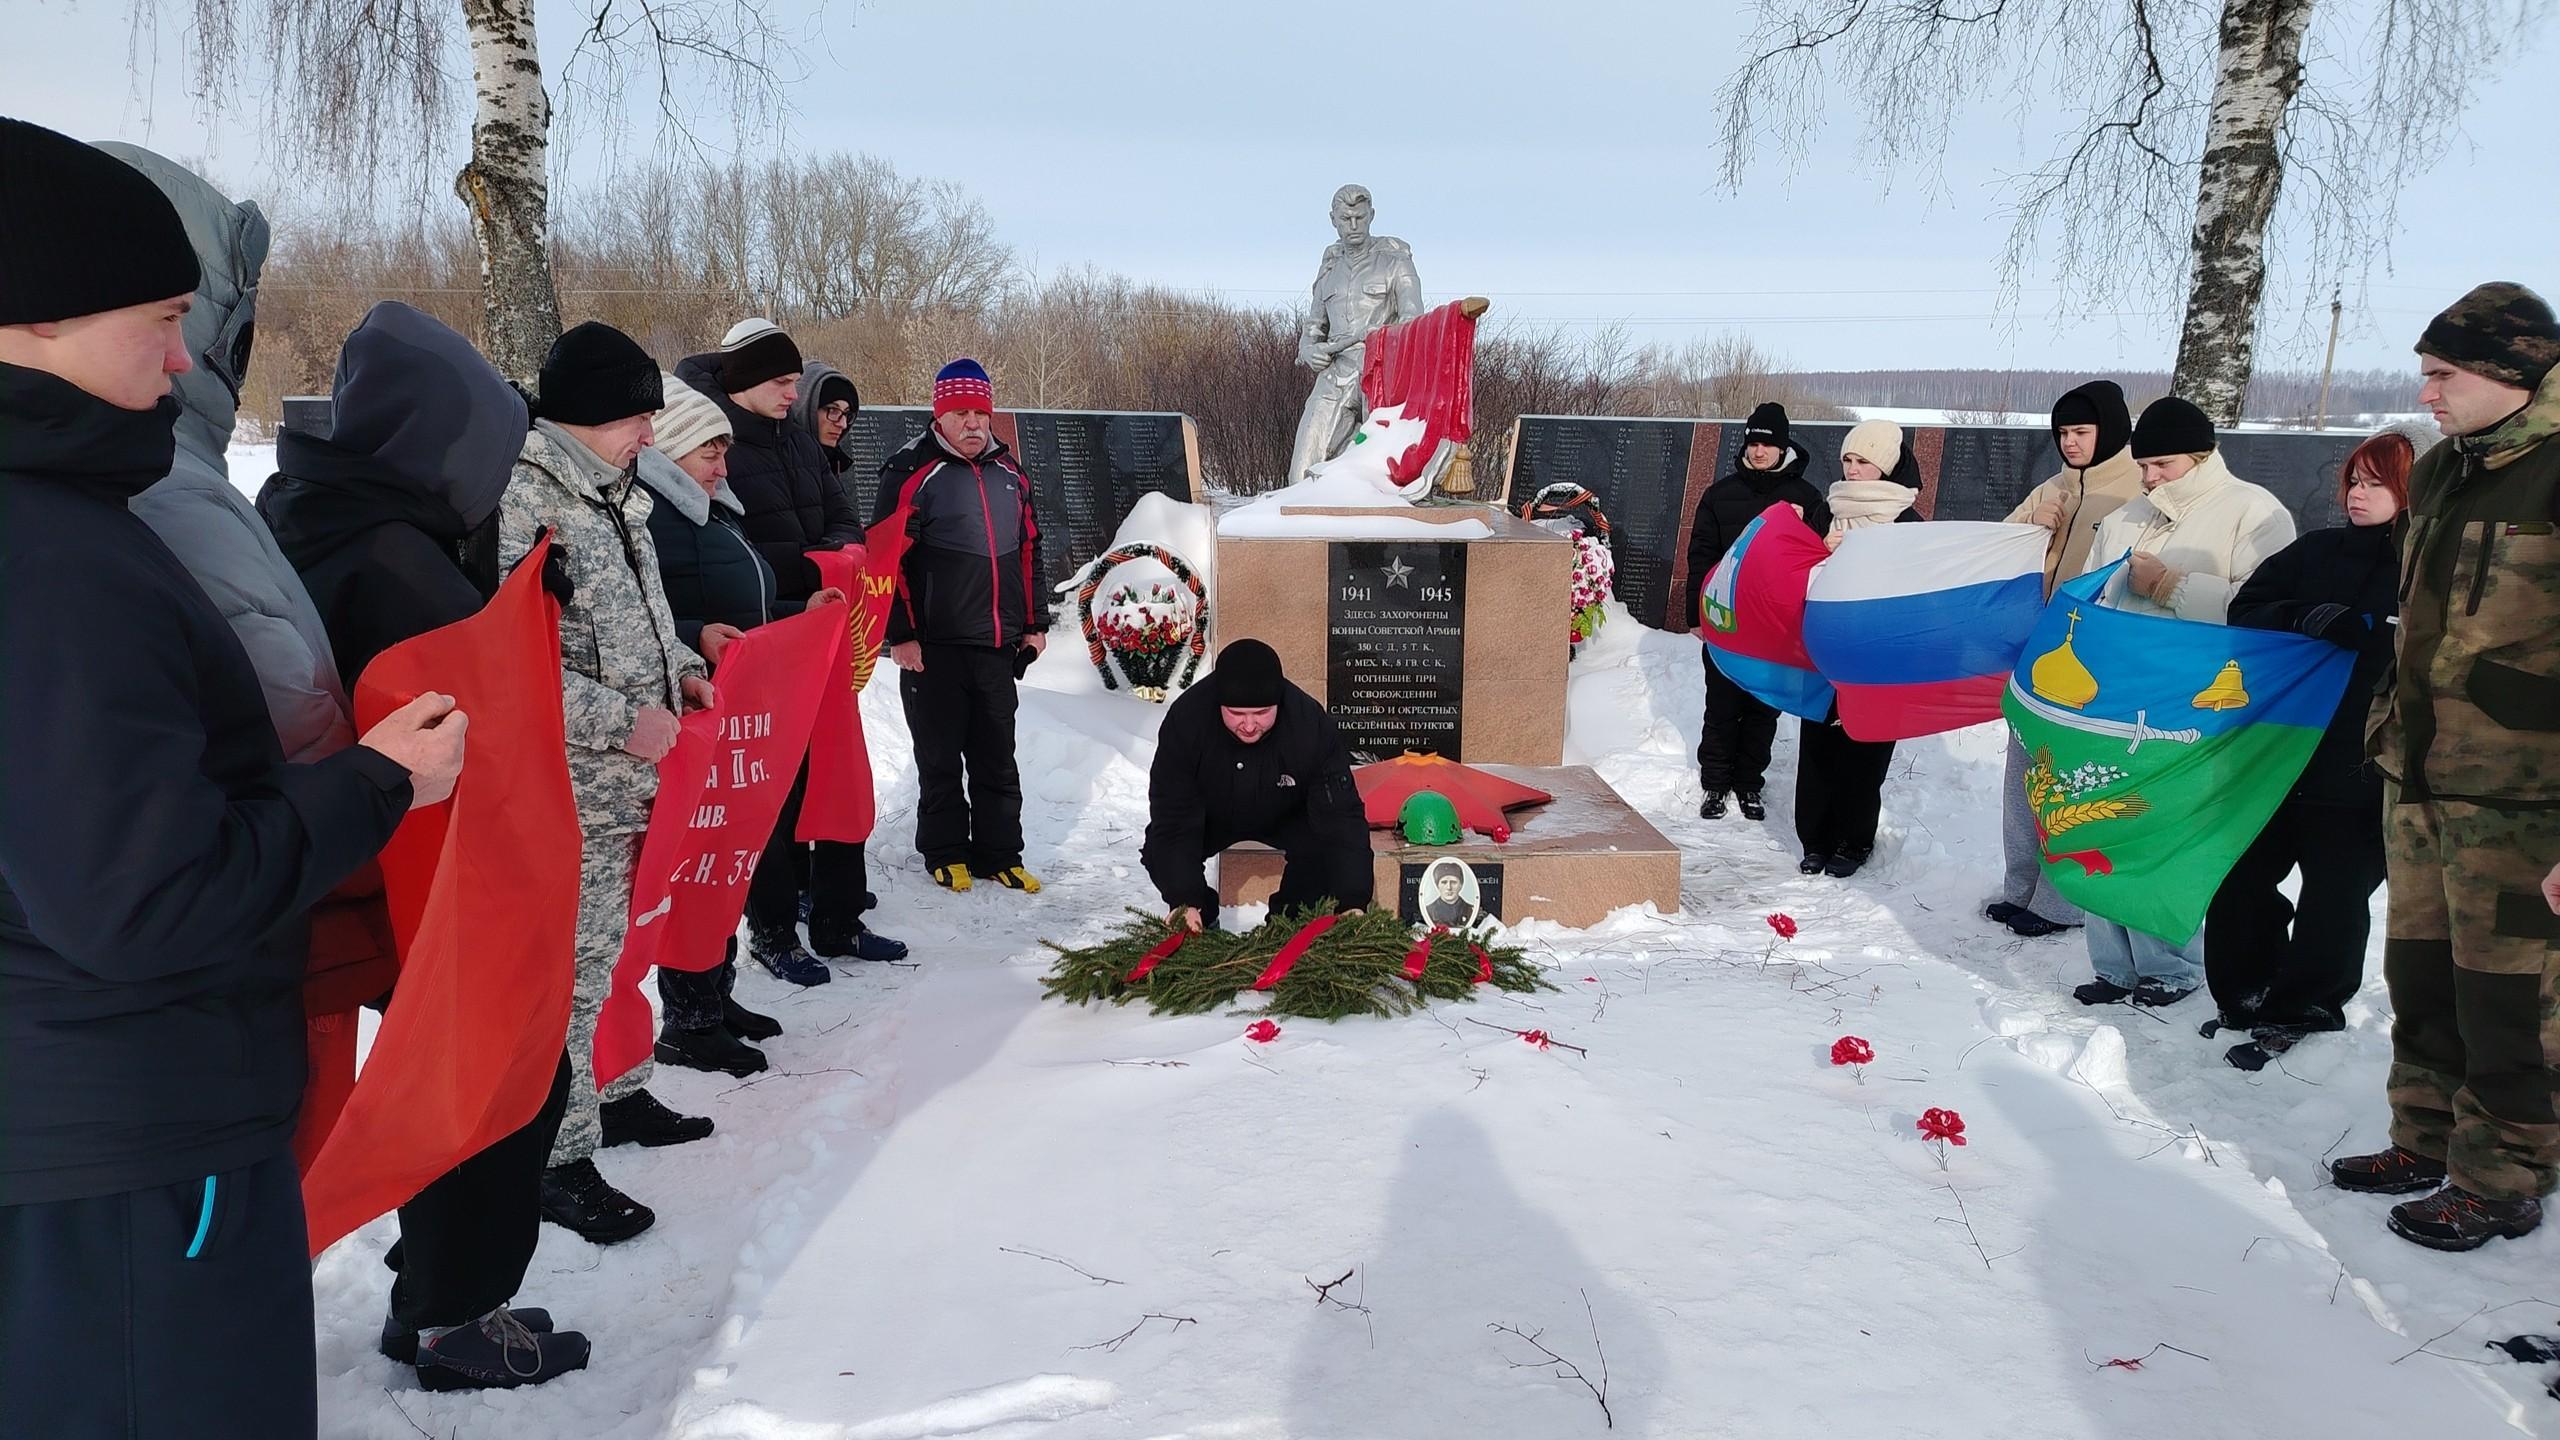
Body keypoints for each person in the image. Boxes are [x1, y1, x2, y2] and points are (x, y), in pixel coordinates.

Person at [0, 116, 461, 1440]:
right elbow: (144, 901)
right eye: (158, 317)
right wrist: (377, 783)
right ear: (28, 318)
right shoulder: (52, 563)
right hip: (133, 1157)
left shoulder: (69, 523)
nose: (183, 355)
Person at [256, 302, 593, 1385]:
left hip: (359, 860)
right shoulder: (397, 558)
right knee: (502, 1079)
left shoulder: (309, 509)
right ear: (436, 448)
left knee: (460, 1074)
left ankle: (438, 1287)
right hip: (434, 867)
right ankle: (455, 1319)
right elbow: (463, 707)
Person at [2330, 281, 2560, 1253]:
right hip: (2423, 780)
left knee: (2509, 1000)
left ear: (2512, 372)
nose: (2425, 394)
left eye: (2442, 375)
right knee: (2421, 976)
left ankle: (2501, 1176)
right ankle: (2424, 1138)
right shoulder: (2444, 470)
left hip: (2524, 801)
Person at [506, 322, 718, 1245]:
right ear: (585, 416)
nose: (647, 436)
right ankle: (560, 1157)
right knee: (574, 975)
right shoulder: (524, 502)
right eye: (636, 418)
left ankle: (619, 1091)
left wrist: (682, 661)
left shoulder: (610, 490)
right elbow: (513, 665)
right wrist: (622, 721)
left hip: (633, 779)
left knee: (621, 951)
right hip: (573, 785)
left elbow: (629, 616)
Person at [676, 324, 902, 979]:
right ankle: (774, 932)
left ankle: (838, 920)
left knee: (836, 770)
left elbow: (844, 520)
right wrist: (816, 569)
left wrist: (843, 556)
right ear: (745, 379)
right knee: (769, 794)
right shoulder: (714, 448)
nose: (793, 392)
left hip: (821, 636)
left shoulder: (801, 443)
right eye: (782, 381)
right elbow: (729, 548)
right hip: (761, 640)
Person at [2070, 395, 2297, 1008]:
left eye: (2163, 466)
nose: (2149, 478)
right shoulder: (2124, 516)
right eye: (2143, 466)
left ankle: (2170, 964)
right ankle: (2112, 964)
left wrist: (2170, 586)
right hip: (2116, 694)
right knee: (2104, 824)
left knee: (2163, 831)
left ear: (2202, 457)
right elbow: (2092, 600)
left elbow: (2268, 610)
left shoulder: (2253, 512)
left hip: (2197, 700)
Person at [2202, 430, 2410, 1070]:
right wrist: (2306, 615)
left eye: (2377, 482)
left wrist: (2371, 632)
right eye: (2353, 479)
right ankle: (2245, 990)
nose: (2358, 493)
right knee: (2240, 878)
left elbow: (2431, 642)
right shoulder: (2315, 549)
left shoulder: (2426, 562)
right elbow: (2248, 607)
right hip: (2279, 745)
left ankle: (2307, 1007)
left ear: (2411, 490)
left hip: (2362, 753)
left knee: (2335, 894)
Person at [635, 372, 800, 1076]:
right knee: (696, 863)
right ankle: (688, 1017)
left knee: (727, 859)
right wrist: (698, 633)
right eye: (711, 451)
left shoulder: (711, 509)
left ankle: (716, 992)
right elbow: (646, 613)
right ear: (671, 449)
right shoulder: (655, 517)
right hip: (688, 717)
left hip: (731, 717)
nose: (723, 466)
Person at [878, 358, 1051, 893]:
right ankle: (945, 850)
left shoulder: (1010, 474)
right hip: (933, 649)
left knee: (997, 758)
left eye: (981, 412)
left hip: (997, 644)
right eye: (961, 413)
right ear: (940, 415)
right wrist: (901, 634)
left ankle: (1000, 852)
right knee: (940, 758)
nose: (973, 423)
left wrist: (1034, 622)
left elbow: (1029, 551)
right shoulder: (910, 469)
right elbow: (887, 559)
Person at [1988, 380, 2145, 938]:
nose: (2069, 443)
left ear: (2111, 431)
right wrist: (2033, 530)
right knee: (2023, 773)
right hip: (2038, 653)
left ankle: (2062, 901)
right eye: (2061, 433)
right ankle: (2021, 886)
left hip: (2093, 657)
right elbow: (1998, 552)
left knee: (2071, 781)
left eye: (2081, 431)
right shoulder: (2052, 487)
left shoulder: (2137, 490)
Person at [1143, 639, 1373, 928]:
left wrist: (1352, 900)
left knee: (1320, 849)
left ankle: (1288, 926)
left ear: (1278, 701)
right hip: (1210, 814)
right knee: (1158, 849)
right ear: (1219, 703)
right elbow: (1172, 816)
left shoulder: (1309, 724)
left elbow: (1341, 815)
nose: (1249, 725)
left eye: (1261, 713)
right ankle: (1201, 917)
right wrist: (1185, 898)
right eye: (1237, 714)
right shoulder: (1187, 721)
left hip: (1285, 812)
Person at [1687, 401, 1828, 821]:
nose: (1759, 451)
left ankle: (1749, 784)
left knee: (1762, 708)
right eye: (1753, 442)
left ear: (1782, 446)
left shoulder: (1807, 498)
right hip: (1726, 621)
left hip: (1775, 628)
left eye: (1767, 443)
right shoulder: (1719, 495)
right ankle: (1715, 784)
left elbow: (1817, 559)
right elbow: (1701, 556)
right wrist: (1695, 615)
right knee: (1722, 705)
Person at [1794, 419, 1921, 878]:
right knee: (1819, 747)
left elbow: (1915, 588)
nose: (1852, 470)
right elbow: (1796, 570)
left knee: (1864, 751)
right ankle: (1816, 839)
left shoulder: (1906, 519)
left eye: (1863, 461)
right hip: (1825, 647)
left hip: (1877, 655)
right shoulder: (1826, 510)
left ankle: (1853, 840)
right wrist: (1820, 552)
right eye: (1848, 459)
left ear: (1885, 467)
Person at [1285, 183, 1425, 484]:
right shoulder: (1329, 270)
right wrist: (1310, 350)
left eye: (1360, 218)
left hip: (1379, 377)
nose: (1353, 226)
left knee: (1377, 474)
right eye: (1346, 219)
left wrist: (1374, 336)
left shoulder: (1396, 263)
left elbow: (1414, 322)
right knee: (1302, 467)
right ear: (1332, 219)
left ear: (1371, 216)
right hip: (1334, 376)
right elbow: (1313, 328)